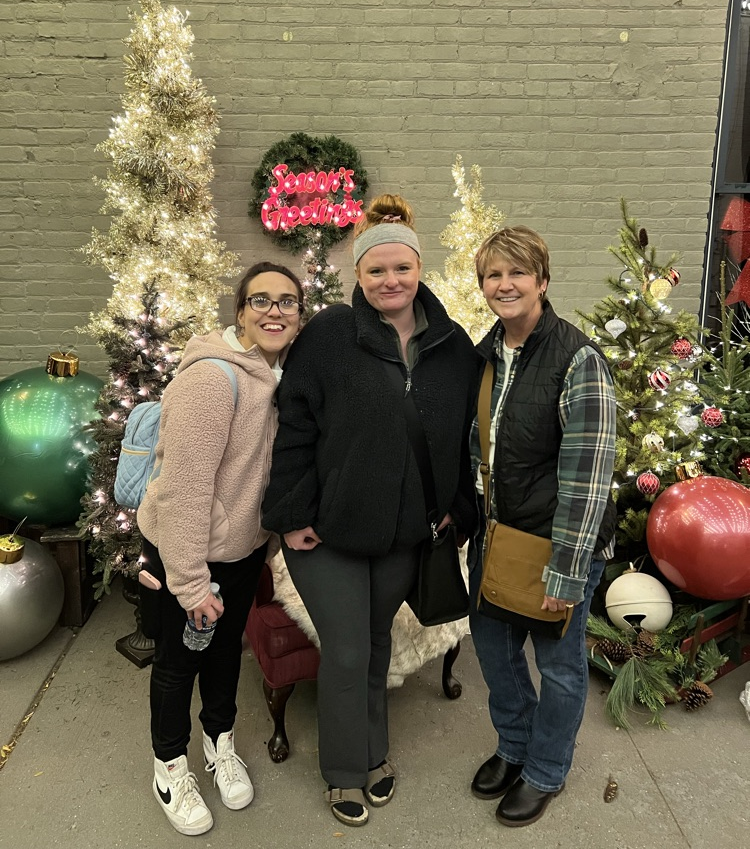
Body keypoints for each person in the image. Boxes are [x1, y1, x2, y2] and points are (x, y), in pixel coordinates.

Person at [261, 194, 478, 827]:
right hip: (325, 534)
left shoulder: (450, 344)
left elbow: (460, 436)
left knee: (378, 643)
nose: (390, 281)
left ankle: (375, 753)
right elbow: (294, 429)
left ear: (418, 268)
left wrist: (452, 510)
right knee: (350, 650)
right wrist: (291, 513)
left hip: (405, 535)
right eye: (376, 270)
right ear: (358, 274)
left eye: (401, 269)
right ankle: (344, 770)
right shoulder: (328, 336)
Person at [136, 262, 304, 836]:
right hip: (186, 552)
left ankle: (219, 743)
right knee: (178, 662)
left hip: (240, 550)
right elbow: (186, 487)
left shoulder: (274, 375)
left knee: (226, 651)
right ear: (240, 312)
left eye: (287, 302)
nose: (274, 311)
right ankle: (169, 767)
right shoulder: (213, 378)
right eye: (261, 300)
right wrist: (187, 582)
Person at [468, 226, 617, 827]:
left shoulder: (579, 360)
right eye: (493, 276)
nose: (504, 285)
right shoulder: (485, 356)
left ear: (542, 282)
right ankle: (514, 744)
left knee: (558, 665)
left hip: (558, 543)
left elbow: (587, 475)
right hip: (498, 538)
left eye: (517, 274)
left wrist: (567, 566)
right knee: (495, 653)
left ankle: (547, 768)